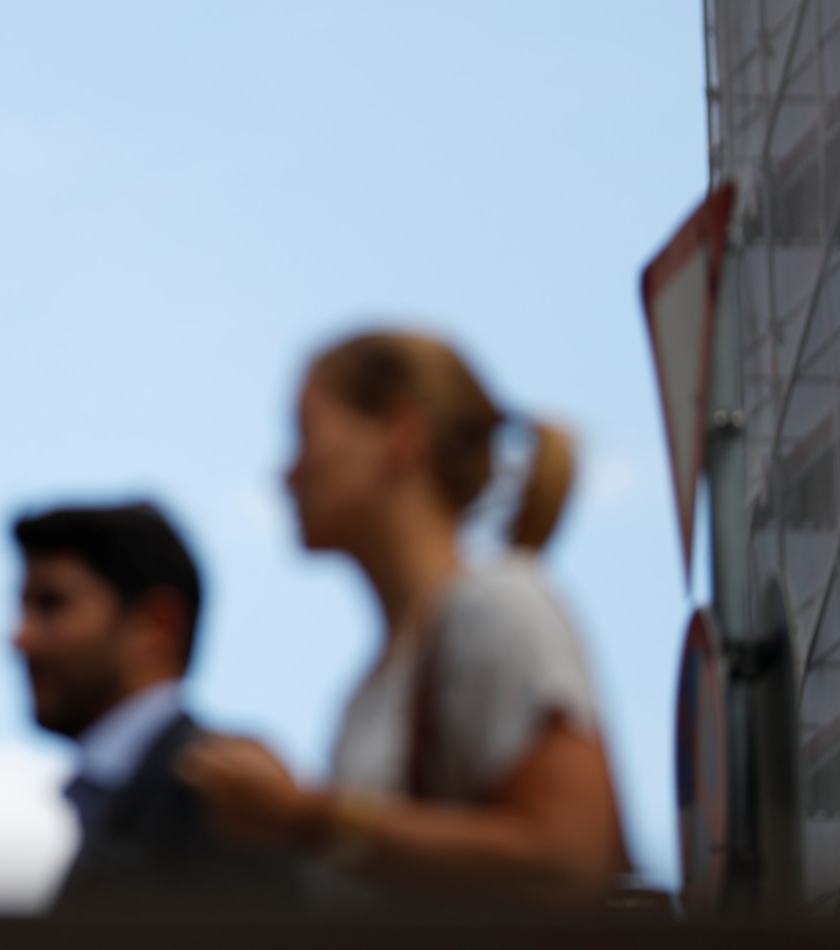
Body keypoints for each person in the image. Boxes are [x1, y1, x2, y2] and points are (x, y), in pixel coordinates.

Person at [181, 331, 627, 913]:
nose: (287, 474)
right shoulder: (381, 676)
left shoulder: (495, 605)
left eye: (305, 435)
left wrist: (309, 816)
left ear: (399, 433)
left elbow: (571, 860)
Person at [12, 503, 302, 919]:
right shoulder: (133, 799)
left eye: (51, 605)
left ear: (156, 626)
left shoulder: (219, 798)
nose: (21, 638)